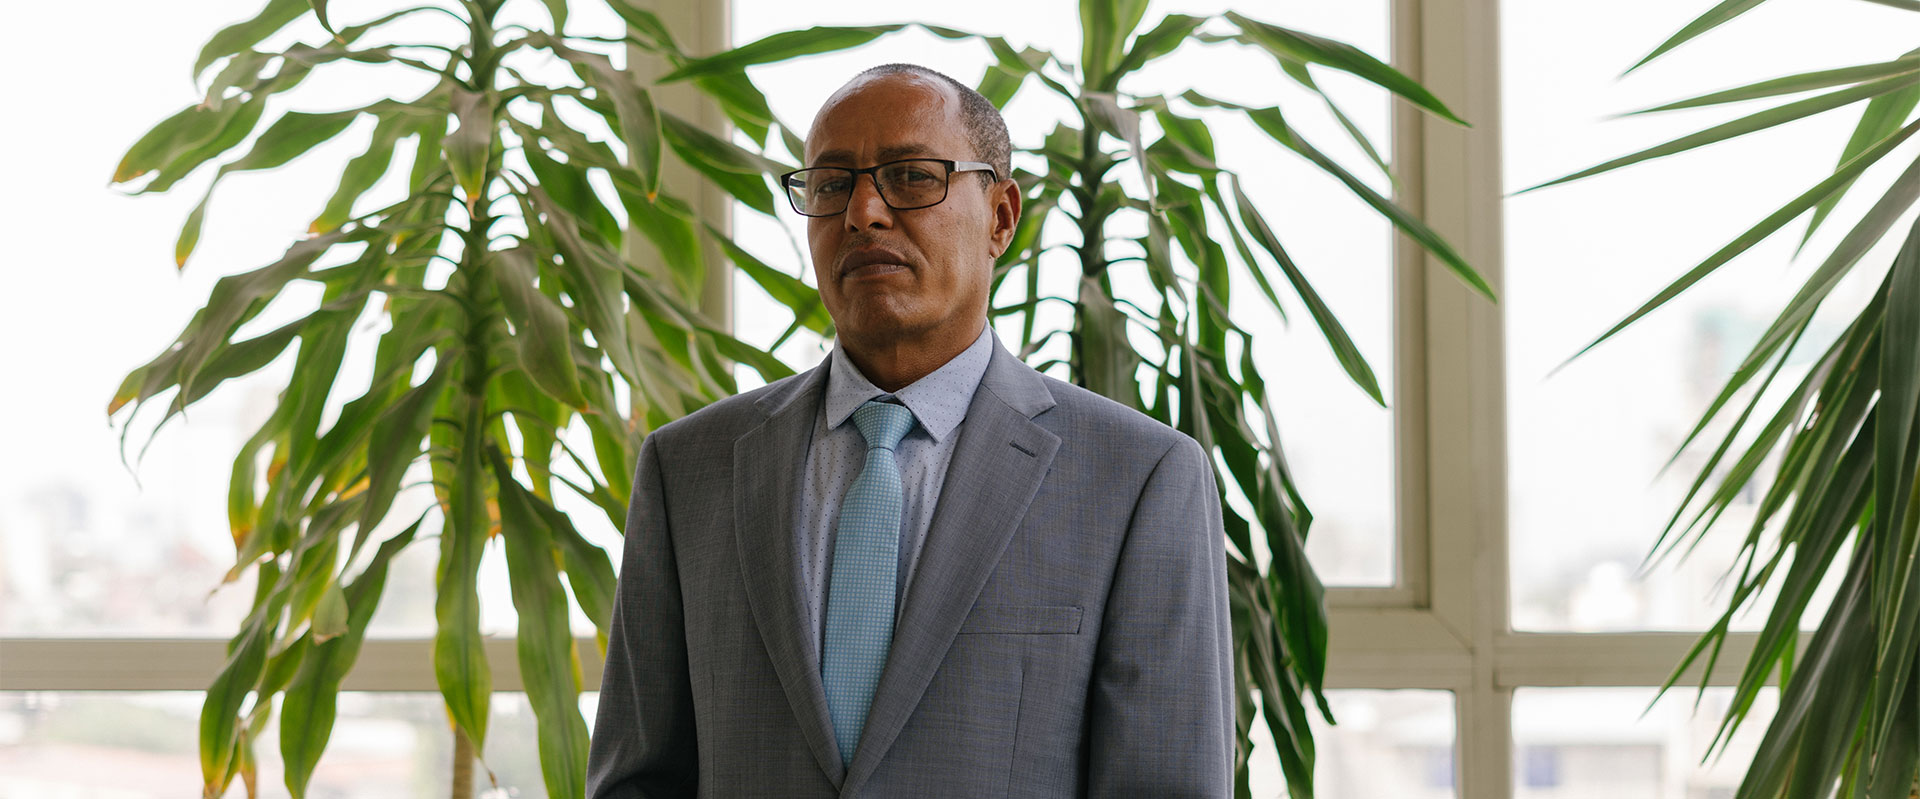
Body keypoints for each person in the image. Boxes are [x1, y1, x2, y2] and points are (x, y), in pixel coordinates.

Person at [585, 63, 1234, 798]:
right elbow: (638, 781)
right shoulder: (689, 468)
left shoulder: (1138, 478)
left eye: (912, 177)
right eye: (831, 185)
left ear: (1000, 217)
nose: (862, 212)